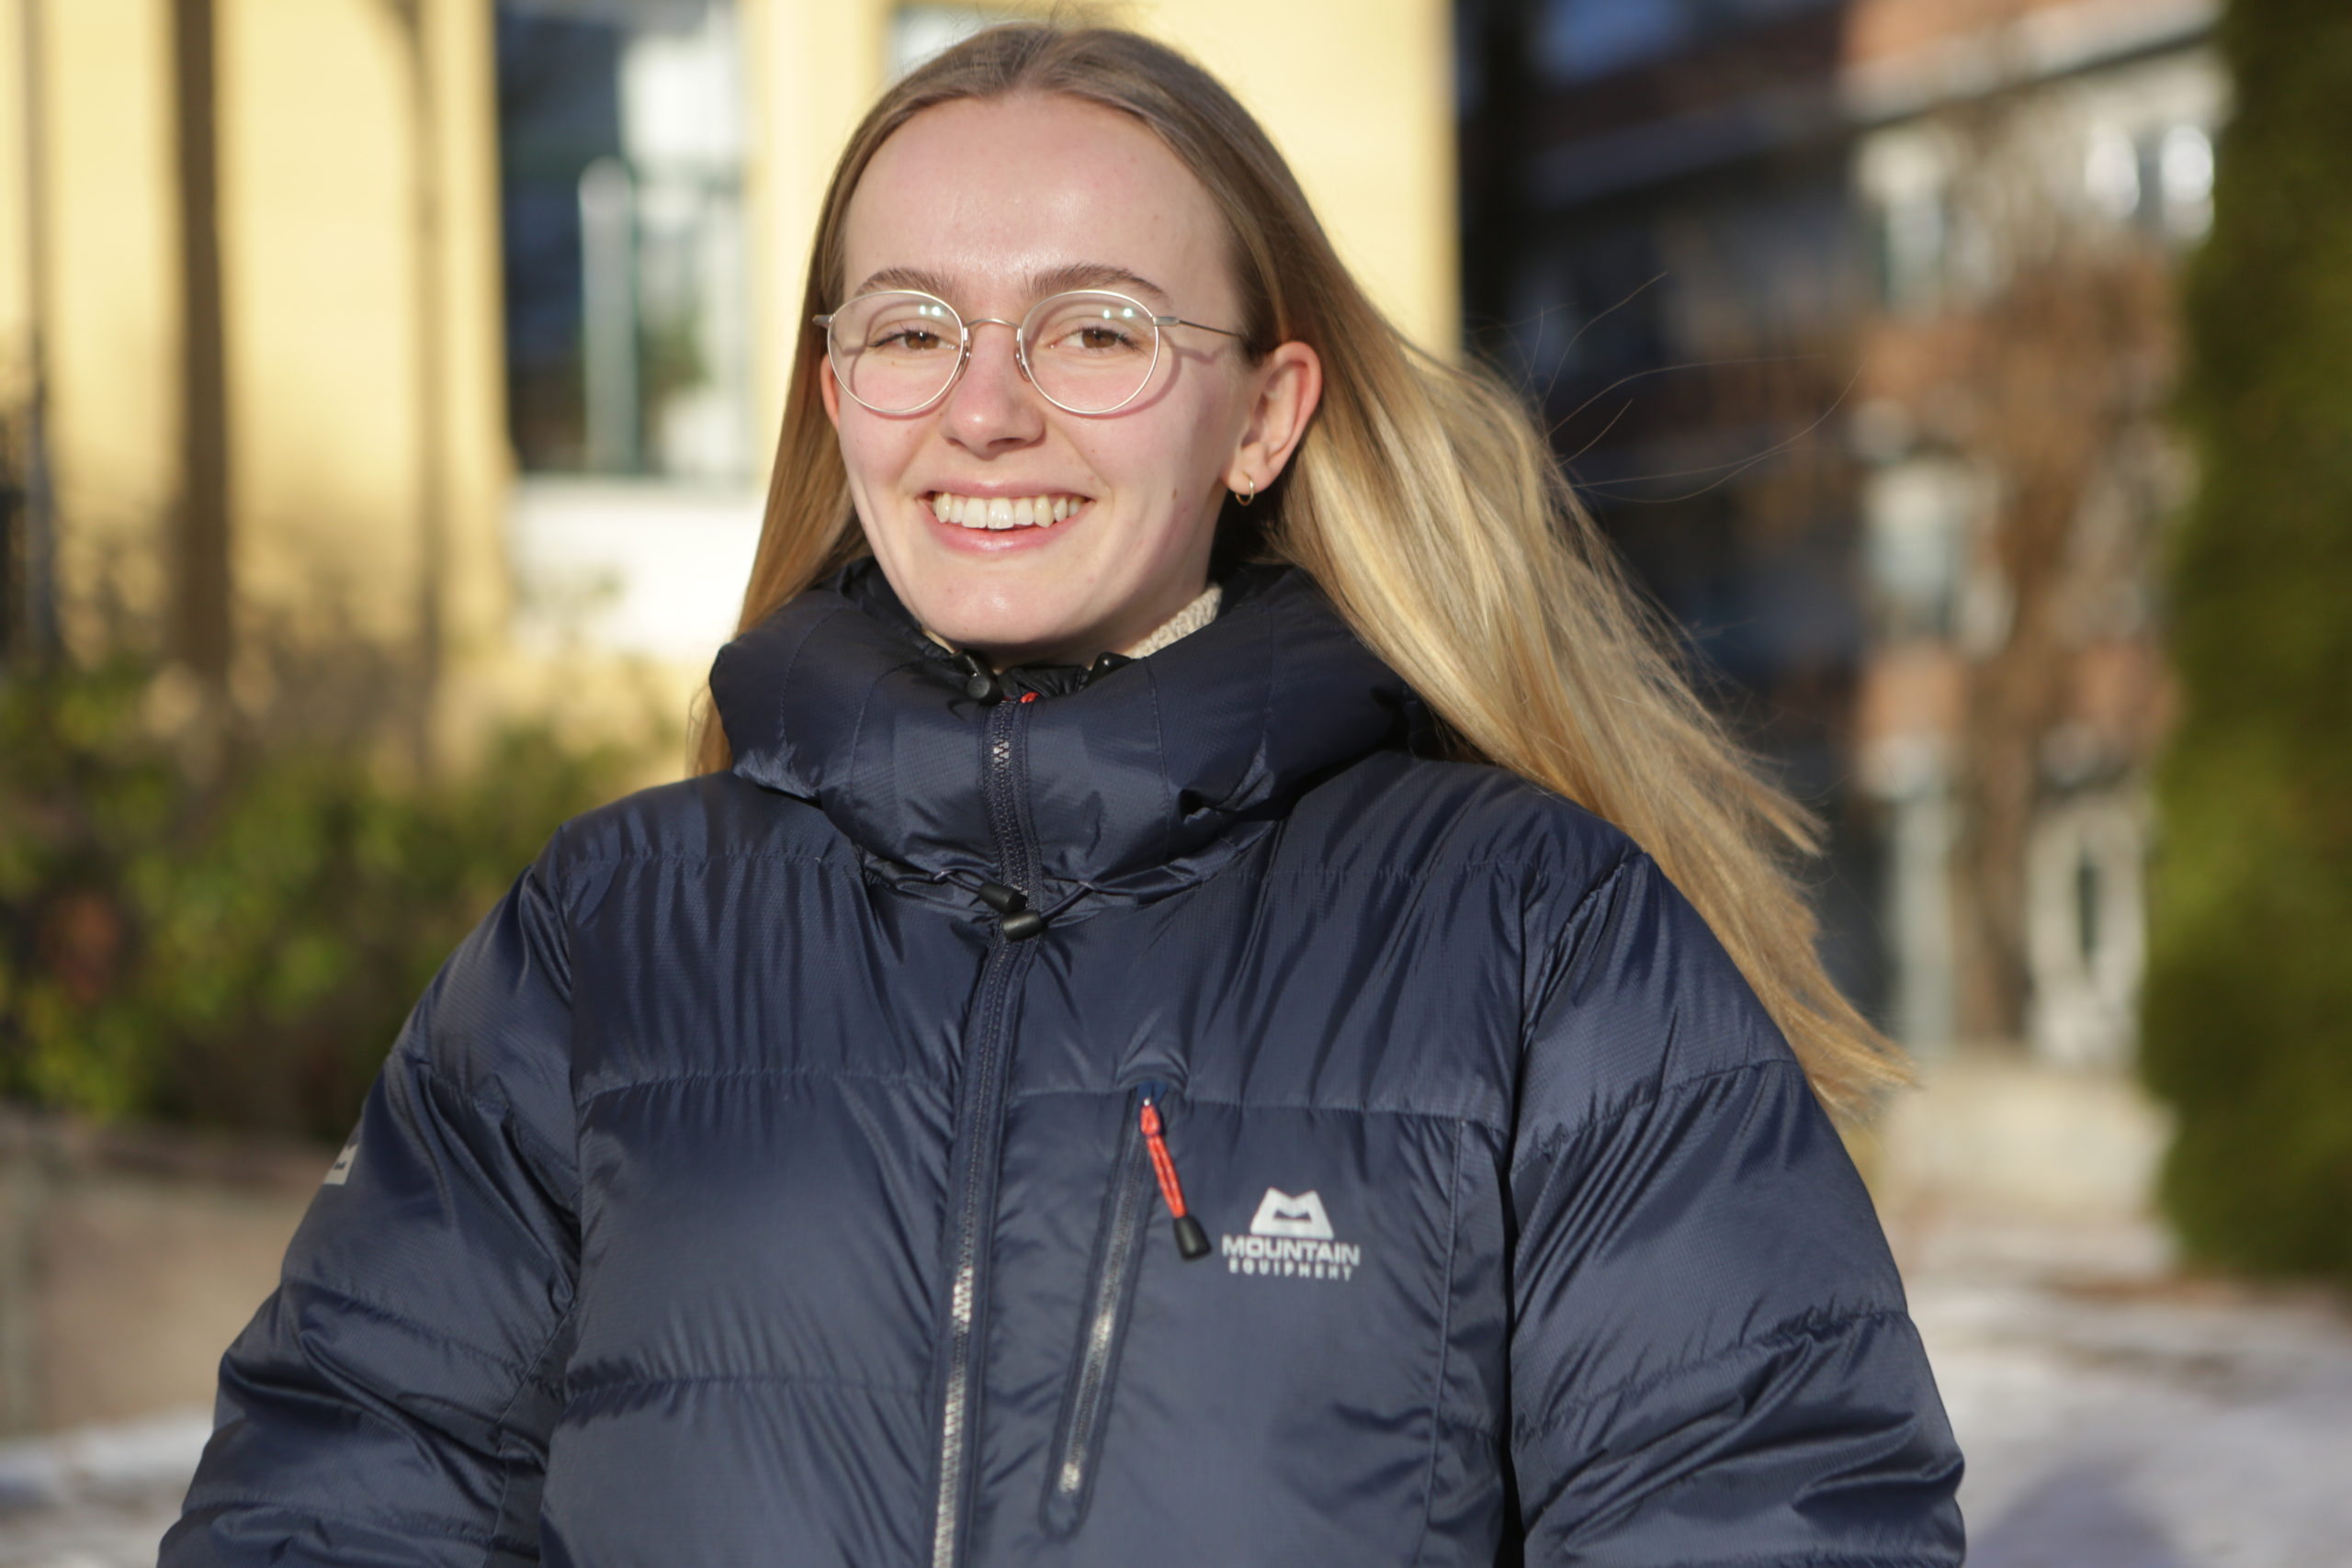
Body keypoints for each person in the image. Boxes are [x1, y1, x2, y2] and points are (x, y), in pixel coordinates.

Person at [163, 23, 1963, 1568]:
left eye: (1092, 331)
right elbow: (337, 1491)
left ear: (1260, 415)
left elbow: (1759, 1502)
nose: (983, 411)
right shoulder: (612, 932)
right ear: (835, 390)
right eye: (911, 329)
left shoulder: (1529, 931)